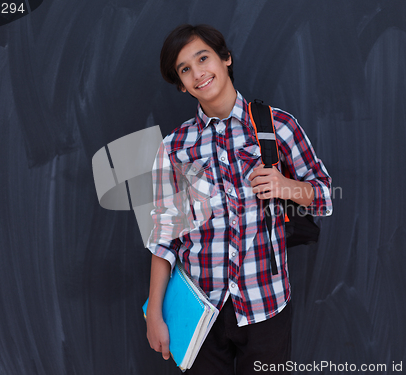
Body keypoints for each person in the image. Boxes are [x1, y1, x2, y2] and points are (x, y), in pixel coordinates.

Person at [145, 24, 332, 375]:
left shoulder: (277, 126)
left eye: (203, 58)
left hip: (266, 305)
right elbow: (164, 235)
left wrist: (284, 185)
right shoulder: (174, 146)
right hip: (200, 311)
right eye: (185, 69)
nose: (198, 73)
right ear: (181, 84)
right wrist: (154, 312)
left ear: (225, 59)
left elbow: (322, 196)